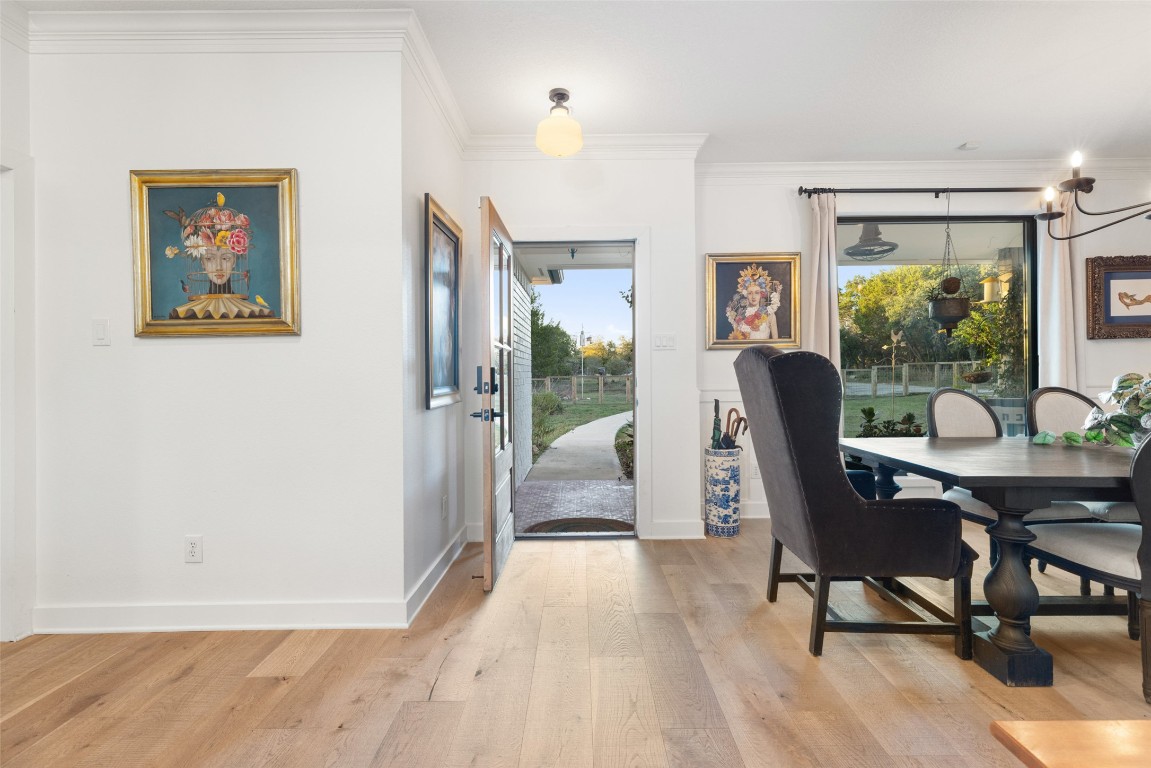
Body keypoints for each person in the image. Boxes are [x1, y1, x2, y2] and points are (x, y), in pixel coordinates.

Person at [163, 192, 273, 320]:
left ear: (234, 261)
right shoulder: (187, 315)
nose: (218, 267)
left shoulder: (254, 315)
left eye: (226, 258)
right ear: (202, 263)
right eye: (209, 258)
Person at [725, 265, 780, 340]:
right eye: (750, 293)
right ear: (746, 295)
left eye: (757, 293)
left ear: (761, 294)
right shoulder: (739, 316)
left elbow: (776, 343)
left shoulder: (770, 315)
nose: (753, 296)